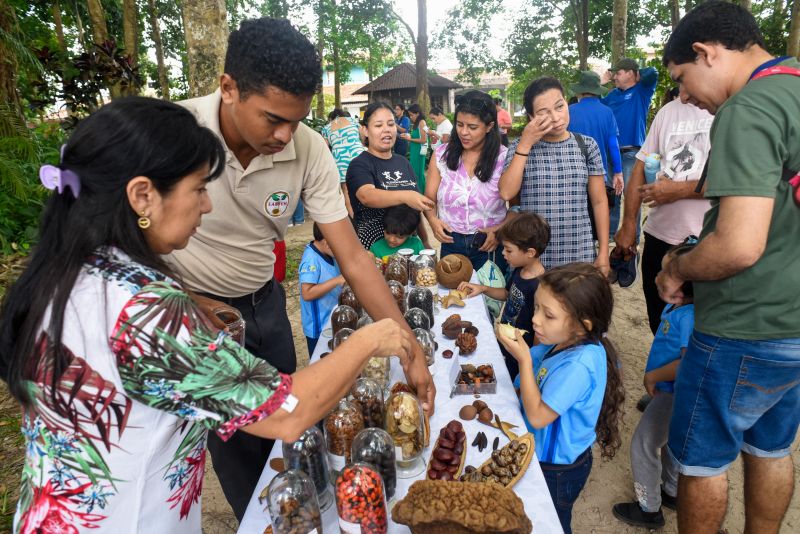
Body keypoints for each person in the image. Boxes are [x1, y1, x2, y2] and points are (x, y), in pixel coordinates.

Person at [0, 97, 415, 533]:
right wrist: (368, 340)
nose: (207, 205)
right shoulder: (147, 313)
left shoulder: (63, 274)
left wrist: (192, 301)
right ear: (143, 195)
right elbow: (288, 412)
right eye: (199, 188)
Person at [170, 19, 435, 519]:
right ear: (228, 88)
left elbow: (354, 257)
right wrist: (187, 303)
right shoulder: (175, 133)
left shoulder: (308, 147)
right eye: (273, 119)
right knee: (240, 442)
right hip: (189, 313)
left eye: (297, 121)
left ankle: (296, 510)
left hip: (263, 304)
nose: (284, 136)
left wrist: (408, 344)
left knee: (289, 434)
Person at [656, 3, 800, 533]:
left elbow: (738, 246)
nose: (685, 95)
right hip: (793, 323)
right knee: (772, 448)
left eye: (682, 78)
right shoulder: (794, 86)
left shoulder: (748, 108)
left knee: (701, 462)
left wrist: (677, 268)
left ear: (706, 53)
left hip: (744, 326)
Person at [496, 263, 624, 534]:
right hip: (540, 453)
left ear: (583, 325)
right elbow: (533, 381)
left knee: (550, 523)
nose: (535, 319)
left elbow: (538, 416)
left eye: (549, 315)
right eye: (536, 307)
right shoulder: (560, 342)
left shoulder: (578, 365)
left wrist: (523, 361)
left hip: (556, 469)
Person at [614, 97, 712, 334]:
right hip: (660, 236)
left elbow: (738, 180)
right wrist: (629, 225)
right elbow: (640, 168)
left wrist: (678, 190)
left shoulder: (731, 109)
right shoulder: (668, 111)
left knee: (702, 329)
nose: (683, 95)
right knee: (659, 323)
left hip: (708, 241)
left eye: (684, 80)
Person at [499, 77, 611, 275]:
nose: (556, 117)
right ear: (531, 117)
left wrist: (603, 252)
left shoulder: (587, 146)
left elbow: (599, 201)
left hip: (579, 253)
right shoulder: (520, 147)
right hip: (533, 259)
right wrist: (525, 143)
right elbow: (506, 192)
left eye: (559, 107)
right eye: (543, 113)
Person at [613, 274, 694, 529]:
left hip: (674, 393)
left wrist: (653, 376)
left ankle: (648, 508)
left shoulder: (690, 317)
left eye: (666, 273)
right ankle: (672, 491)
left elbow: (688, 362)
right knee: (669, 439)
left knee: (644, 443)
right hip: (667, 390)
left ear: (682, 289)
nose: (657, 276)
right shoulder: (675, 306)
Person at [424, 90, 512, 273]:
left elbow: (517, 208)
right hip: (451, 242)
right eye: (459, 124)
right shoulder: (441, 155)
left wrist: (499, 230)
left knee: (489, 292)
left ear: (489, 126)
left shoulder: (504, 158)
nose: (464, 132)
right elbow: (429, 198)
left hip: (488, 243)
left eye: (472, 127)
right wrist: (432, 220)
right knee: (451, 290)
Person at [458, 213, 550, 379]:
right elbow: (507, 294)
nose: (503, 253)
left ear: (530, 252)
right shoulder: (520, 270)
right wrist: (483, 288)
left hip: (522, 352)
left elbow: (540, 330)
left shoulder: (540, 287)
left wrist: (532, 361)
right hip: (507, 342)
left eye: (509, 250)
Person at [347, 102, 434, 250]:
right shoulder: (360, 164)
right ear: (365, 130)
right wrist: (406, 196)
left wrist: (425, 241)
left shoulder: (403, 162)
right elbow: (366, 196)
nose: (386, 130)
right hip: (373, 249)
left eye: (391, 124)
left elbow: (414, 208)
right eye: (378, 125)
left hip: (408, 247)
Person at [601, 58, 659, 237]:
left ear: (631, 74)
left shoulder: (642, 91)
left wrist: (638, 74)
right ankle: (610, 236)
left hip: (632, 154)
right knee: (611, 195)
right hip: (611, 153)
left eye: (618, 73)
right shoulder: (612, 95)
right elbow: (597, 108)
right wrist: (600, 84)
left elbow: (653, 72)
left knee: (632, 197)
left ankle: (632, 236)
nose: (614, 77)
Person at [568, 70, 624, 199]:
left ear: (580, 91)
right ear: (597, 91)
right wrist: (618, 172)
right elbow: (613, 145)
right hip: (598, 173)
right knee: (596, 207)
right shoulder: (607, 112)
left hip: (572, 172)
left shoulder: (569, 111)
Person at [299, 223, 345, 356]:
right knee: (321, 358)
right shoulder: (311, 259)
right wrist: (336, 280)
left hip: (331, 319)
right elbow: (307, 293)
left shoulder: (328, 252)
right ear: (327, 242)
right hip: (318, 327)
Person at [321, 108, 364, 218]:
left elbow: (324, 149)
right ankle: (368, 215)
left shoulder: (326, 128)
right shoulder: (352, 121)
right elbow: (364, 135)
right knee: (365, 183)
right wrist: (361, 144)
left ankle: (354, 219)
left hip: (340, 159)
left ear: (331, 118)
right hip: (358, 154)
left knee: (346, 191)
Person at [400, 103, 428, 191]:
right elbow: (416, 136)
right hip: (414, 150)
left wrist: (409, 139)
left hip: (419, 151)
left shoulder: (422, 122)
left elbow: (424, 140)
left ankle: (421, 191)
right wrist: (408, 135)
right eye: (409, 115)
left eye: (412, 115)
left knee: (418, 172)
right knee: (414, 172)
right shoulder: (417, 123)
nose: (410, 117)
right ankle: (417, 190)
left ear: (417, 113)